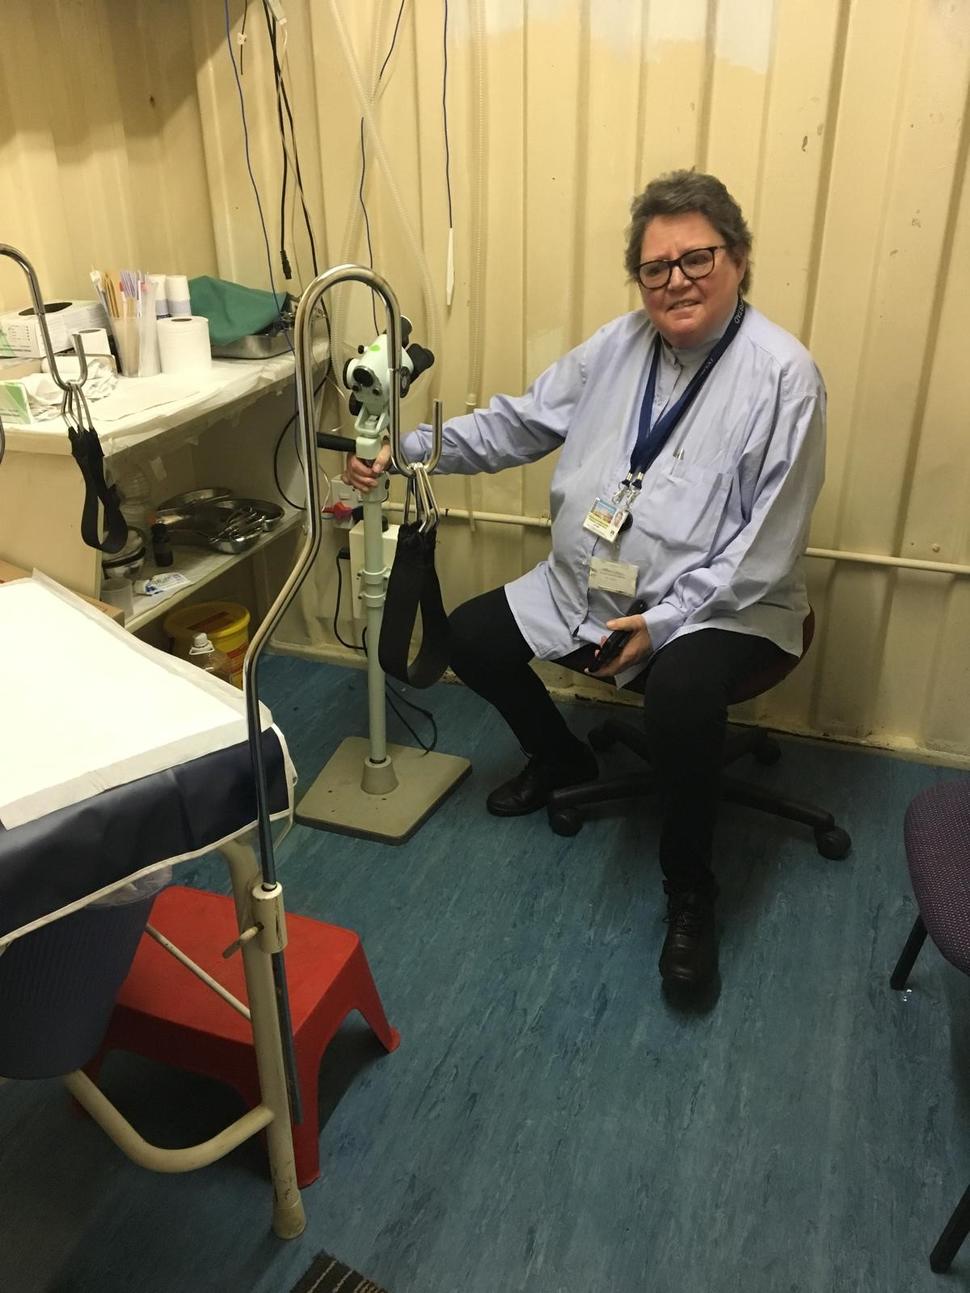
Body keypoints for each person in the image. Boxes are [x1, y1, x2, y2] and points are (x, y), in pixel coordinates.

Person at [344, 170, 825, 993]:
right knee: (470, 638)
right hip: (591, 583)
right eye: (655, 267)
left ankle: (690, 889)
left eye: (697, 258)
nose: (675, 281)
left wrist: (663, 624)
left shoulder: (785, 377)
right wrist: (410, 450)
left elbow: (764, 550)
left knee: (678, 697)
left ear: (739, 260)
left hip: (721, 604)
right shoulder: (619, 344)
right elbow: (520, 421)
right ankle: (561, 756)